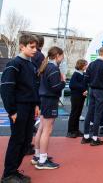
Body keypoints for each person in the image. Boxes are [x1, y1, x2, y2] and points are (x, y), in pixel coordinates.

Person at [1, 34, 40, 183]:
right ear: (22, 46)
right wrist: (12, 111)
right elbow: (6, 89)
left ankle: (14, 171)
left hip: (30, 107)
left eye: (36, 47)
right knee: (17, 140)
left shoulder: (31, 65)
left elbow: (34, 87)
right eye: (31, 47)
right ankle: (8, 175)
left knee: (25, 141)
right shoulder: (13, 64)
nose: (35, 50)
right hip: (19, 108)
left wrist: (36, 104)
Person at [32, 46, 65, 170]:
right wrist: (62, 82)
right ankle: (42, 160)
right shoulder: (53, 68)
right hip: (49, 100)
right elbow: (56, 86)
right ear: (57, 56)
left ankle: (38, 156)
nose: (62, 58)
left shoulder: (45, 66)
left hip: (44, 99)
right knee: (47, 129)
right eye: (62, 56)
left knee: (41, 128)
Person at [81, 47, 103, 146]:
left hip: (92, 90)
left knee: (89, 112)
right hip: (101, 91)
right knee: (98, 114)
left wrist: (87, 87)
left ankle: (86, 136)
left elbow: (86, 78)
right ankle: (95, 138)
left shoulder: (91, 64)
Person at [66, 59, 88, 138]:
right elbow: (72, 85)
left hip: (81, 96)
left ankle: (76, 130)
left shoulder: (83, 74)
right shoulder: (76, 74)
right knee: (74, 113)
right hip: (76, 96)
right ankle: (70, 131)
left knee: (78, 113)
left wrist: (86, 90)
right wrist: (83, 89)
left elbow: (85, 84)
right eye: (85, 65)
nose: (86, 66)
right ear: (81, 65)